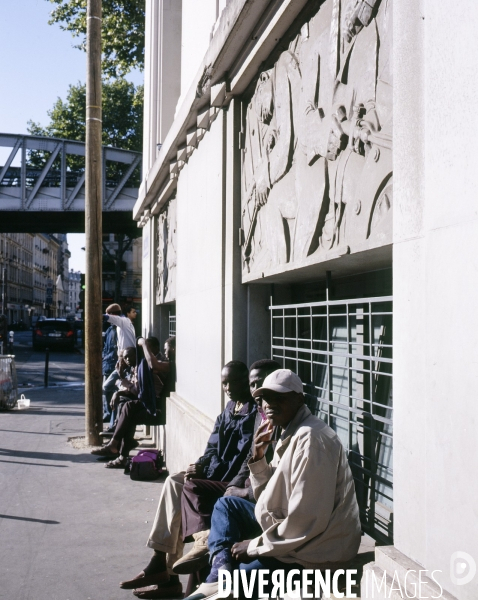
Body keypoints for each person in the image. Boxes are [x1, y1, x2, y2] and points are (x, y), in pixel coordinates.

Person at [186, 369, 362, 600]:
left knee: (237, 580)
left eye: (279, 397)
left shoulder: (311, 440)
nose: (269, 404)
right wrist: (259, 459)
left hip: (315, 554)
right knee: (226, 505)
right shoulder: (290, 430)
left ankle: (220, 575)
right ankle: (220, 572)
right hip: (293, 533)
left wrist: (252, 546)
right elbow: (269, 497)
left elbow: (305, 522)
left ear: (299, 399)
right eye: (265, 398)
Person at [119, 361, 257, 600]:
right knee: (174, 482)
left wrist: (224, 479)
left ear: (245, 382)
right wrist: (202, 465)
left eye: (231, 382)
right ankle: (161, 563)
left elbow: (247, 459)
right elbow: (212, 446)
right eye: (223, 383)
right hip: (214, 474)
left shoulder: (255, 413)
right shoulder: (229, 408)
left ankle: (173, 566)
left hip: (231, 483)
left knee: (189, 489)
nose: (226, 388)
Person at [173, 359, 282, 575]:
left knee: (196, 493)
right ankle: (167, 562)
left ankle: (194, 550)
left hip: (269, 511)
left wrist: (238, 489)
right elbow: (226, 450)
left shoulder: (280, 423)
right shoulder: (245, 412)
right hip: (236, 484)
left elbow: (278, 477)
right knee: (178, 484)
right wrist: (204, 465)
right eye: (254, 386)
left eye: (263, 384)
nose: (258, 392)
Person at [92, 337, 173, 467]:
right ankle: (121, 451)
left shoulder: (166, 363)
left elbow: (152, 367)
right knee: (127, 411)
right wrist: (119, 389)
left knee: (128, 407)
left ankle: (115, 445)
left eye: (166, 349)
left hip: (162, 410)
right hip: (156, 406)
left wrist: (143, 343)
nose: (145, 354)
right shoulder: (146, 366)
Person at [102, 304, 138, 429]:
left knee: (109, 388)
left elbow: (105, 317)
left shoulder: (122, 321)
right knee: (112, 390)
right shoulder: (123, 324)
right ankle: (113, 423)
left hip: (126, 362)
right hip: (123, 361)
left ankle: (113, 425)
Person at [102, 304, 120, 422]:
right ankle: (108, 413)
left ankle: (109, 414)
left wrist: (106, 359)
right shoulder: (110, 329)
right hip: (108, 364)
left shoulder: (116, 329)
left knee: (107, 390)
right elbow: (106, 347)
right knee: (106, 391)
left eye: (109, 314)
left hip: (111, 365)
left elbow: (114, 349)